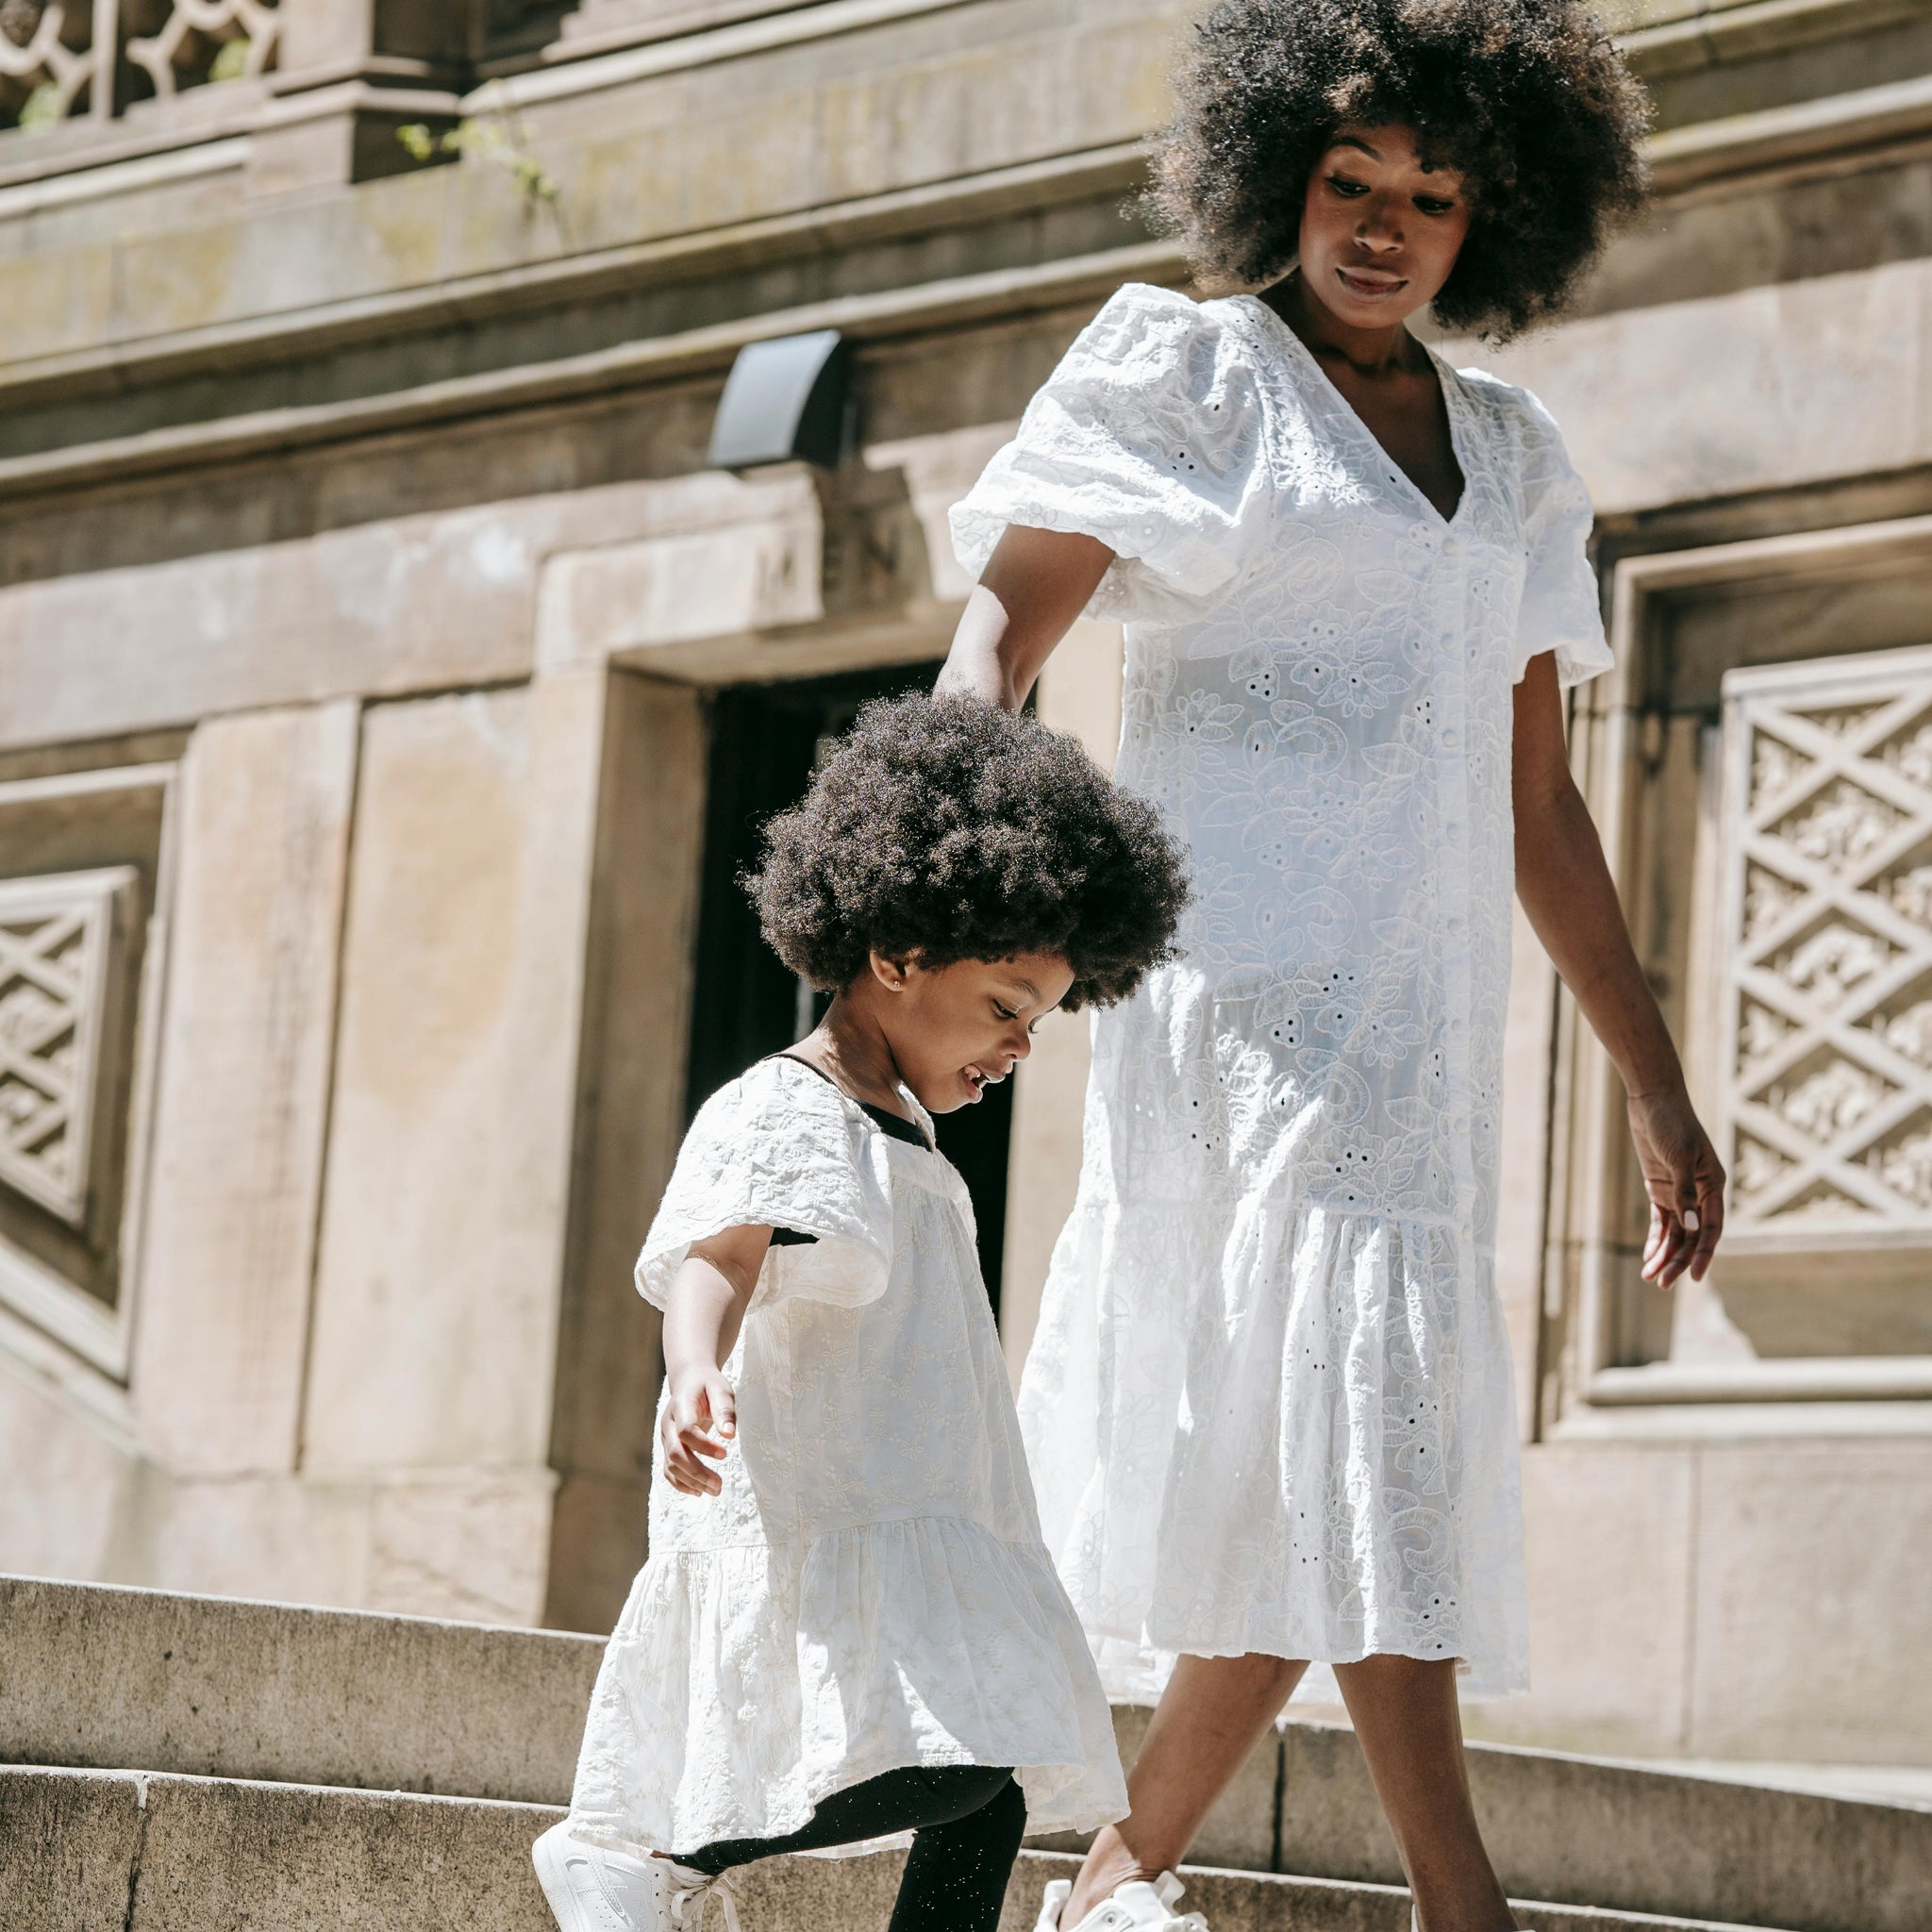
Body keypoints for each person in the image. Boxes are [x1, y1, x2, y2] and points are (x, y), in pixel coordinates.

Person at [937, 4, 1727, 1930]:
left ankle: (1119, 1871)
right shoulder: (1189, 375)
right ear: (1278, 172)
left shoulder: (1520, 459)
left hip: (1426, 1028)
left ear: (1489, 223)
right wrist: (965, 876)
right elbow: (995, 653)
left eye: (1433, 199)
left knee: (1336, 1454)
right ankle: (1464, 1906)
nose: (1386, 226)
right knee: (1355, 1430)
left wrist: (1650, 1078)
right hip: (1244, 1002)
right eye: (1351, 181)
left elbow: (1540, 813)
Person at [533, 694, 1189, 1932]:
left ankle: (667, 1864)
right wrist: (695, 1372)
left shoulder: (915, 1138)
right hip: (828, 1514)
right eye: (1005, 1007)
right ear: (895, 956)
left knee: (988, 1791)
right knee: (949, 1768)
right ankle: (653, 1858)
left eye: (1039, 1020)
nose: (1020, 1046)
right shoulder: (788, 1108)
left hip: (918, 1509)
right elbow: (719, 1255)